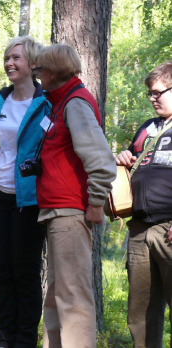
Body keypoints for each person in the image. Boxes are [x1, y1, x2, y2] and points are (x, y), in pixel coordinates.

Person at [34, 44, 115, 348]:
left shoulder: (75, 103)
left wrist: (95, 203)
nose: (38, 75)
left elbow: (102, 161)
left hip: (70, 212)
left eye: (40, 69)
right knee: (57, 295)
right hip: (56, 212)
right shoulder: (59, 102)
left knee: (72, 297)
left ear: (52, 72)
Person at [0, 37, 48, 348]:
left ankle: (25, 339)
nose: (9, 63)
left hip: (28, 199)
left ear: (33, 64)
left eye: (16, 58)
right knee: (2, 270)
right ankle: (4, 337)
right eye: (7, 58)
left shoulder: (47, 104)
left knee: (26, 271)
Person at [116, 61, 172, 348]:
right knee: (141, 313)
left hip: (170, 229)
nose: (152, 99)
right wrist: (123, 158)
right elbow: (133, 164)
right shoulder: (146, 128)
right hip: (138, 230)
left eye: (158, 93)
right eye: (150, 94)